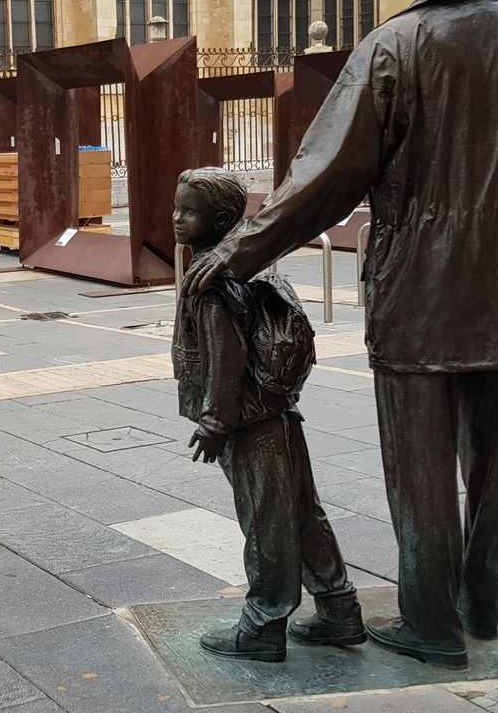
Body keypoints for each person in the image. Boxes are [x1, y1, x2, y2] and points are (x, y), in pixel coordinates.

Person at [183, 0, 498, 670]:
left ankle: (432, 622)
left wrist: (237, 251)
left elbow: (324, 178)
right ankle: (480, 599)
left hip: (419, 292)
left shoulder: (393, 46)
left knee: (422, 466)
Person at [172, 167, 363, 664]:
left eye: (188, 211)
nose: (176, 219)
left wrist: (215, 422)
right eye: (176, 208)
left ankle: (263, 623)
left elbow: (225, 356)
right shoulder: (245, 262)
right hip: (276, 410)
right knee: (300, 512)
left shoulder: (212, 280)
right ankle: (339, 608)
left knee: (266, 521)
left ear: (220, 218)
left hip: (248, 421)